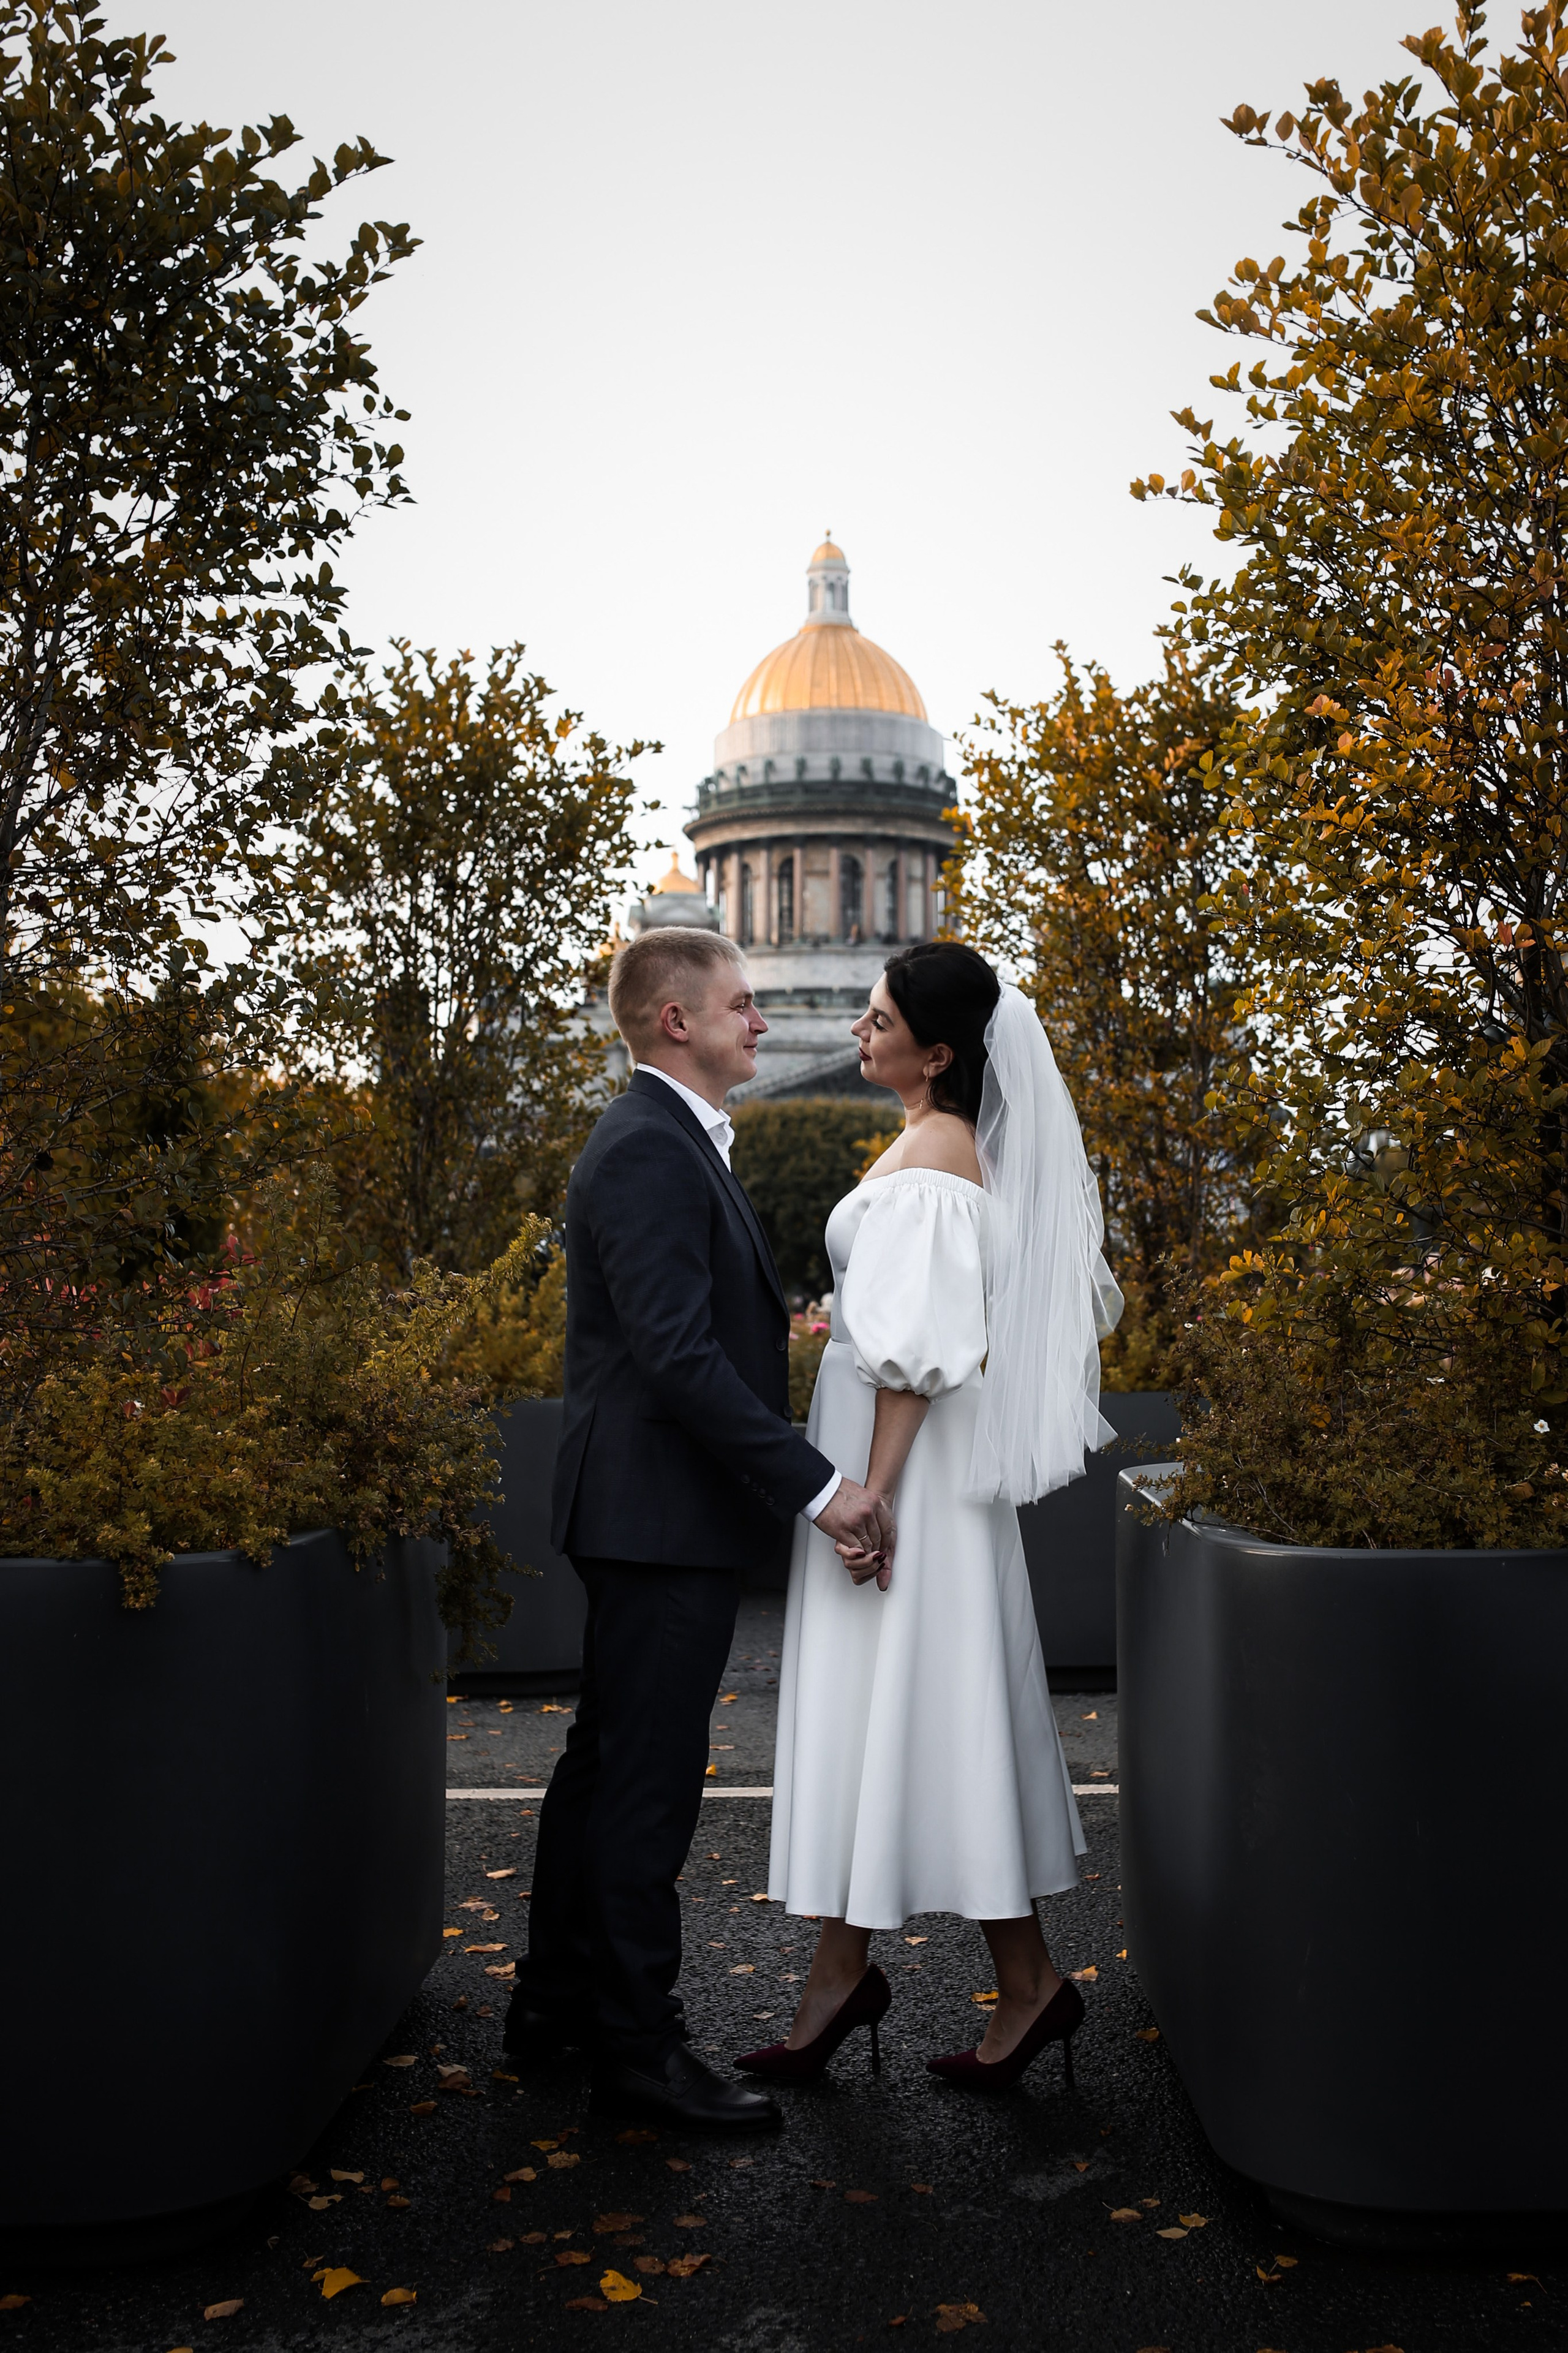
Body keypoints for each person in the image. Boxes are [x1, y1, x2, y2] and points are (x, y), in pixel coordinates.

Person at [504, 925, 893, 2131]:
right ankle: (634, 2045)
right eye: (740, 1005)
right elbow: (677, 1356)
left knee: (603, 1766)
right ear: (677, 1020)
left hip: (646, 1510)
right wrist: (820, 1487)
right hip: (656, 1515)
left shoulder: (669, 1141)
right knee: (644, 1788)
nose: (762, 1024)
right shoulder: (647, 1151)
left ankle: (558, 2004)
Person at [741, 941, 1122, 2092]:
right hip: (906, 1465)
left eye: (879, 1017)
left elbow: (912, 1357)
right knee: (917, 1709)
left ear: (939, 1051)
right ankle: (959, 1981)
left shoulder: (936, 1157)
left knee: (914, 1703)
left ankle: (966, 1983)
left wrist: (870, 1494)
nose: (860, 1029)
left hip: (897, 1465)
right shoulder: (939, 1145)